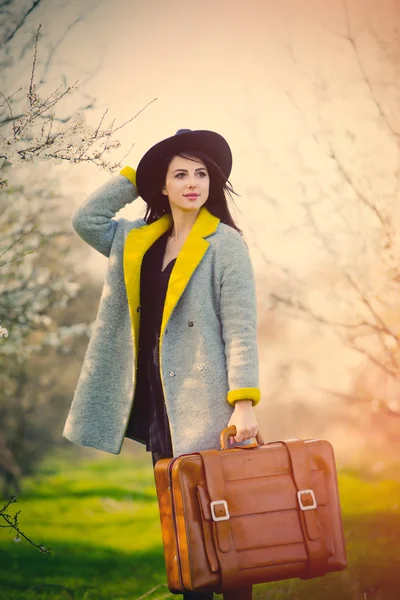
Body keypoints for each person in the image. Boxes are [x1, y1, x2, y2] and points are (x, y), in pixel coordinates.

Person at [63, 129, 261, 600]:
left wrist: (245, 402)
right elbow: (86, 219)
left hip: (209, 406)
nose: (193, 183)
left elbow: (240, 327)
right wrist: (138, 172)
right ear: (163, 187)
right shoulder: (137, 241)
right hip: (158, 404)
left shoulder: (225, 244)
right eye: (179, 174)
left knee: (227, 535)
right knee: (185, 541)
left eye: (200, 173)